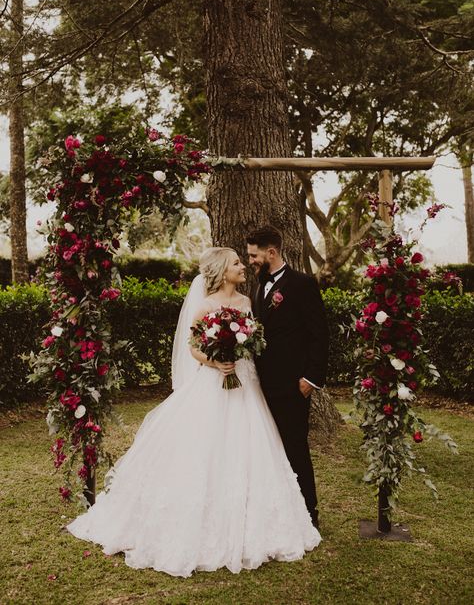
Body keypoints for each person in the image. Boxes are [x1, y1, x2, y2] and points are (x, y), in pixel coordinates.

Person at [67, 247, 320, 577]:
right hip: (214, 383)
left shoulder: (247, 302)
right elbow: (193, 348)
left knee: (252, 448)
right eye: (236, 263)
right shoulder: (206, 305)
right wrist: (217, 361)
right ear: (221, 270)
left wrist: (243, 351)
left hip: (246, 383)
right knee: (207, 449)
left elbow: (257, 341)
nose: (242, 266)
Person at [246, 226, 329, 529]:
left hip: (294, 385)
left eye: (254, 255)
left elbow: (319, 335)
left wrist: (311, 377)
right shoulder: (258, 286)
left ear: (272, 252)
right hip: (261, 385)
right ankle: (278, 510)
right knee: (268, 449)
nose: (251, 260)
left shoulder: (303, 284)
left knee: (295, 447)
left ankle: (309, 513)